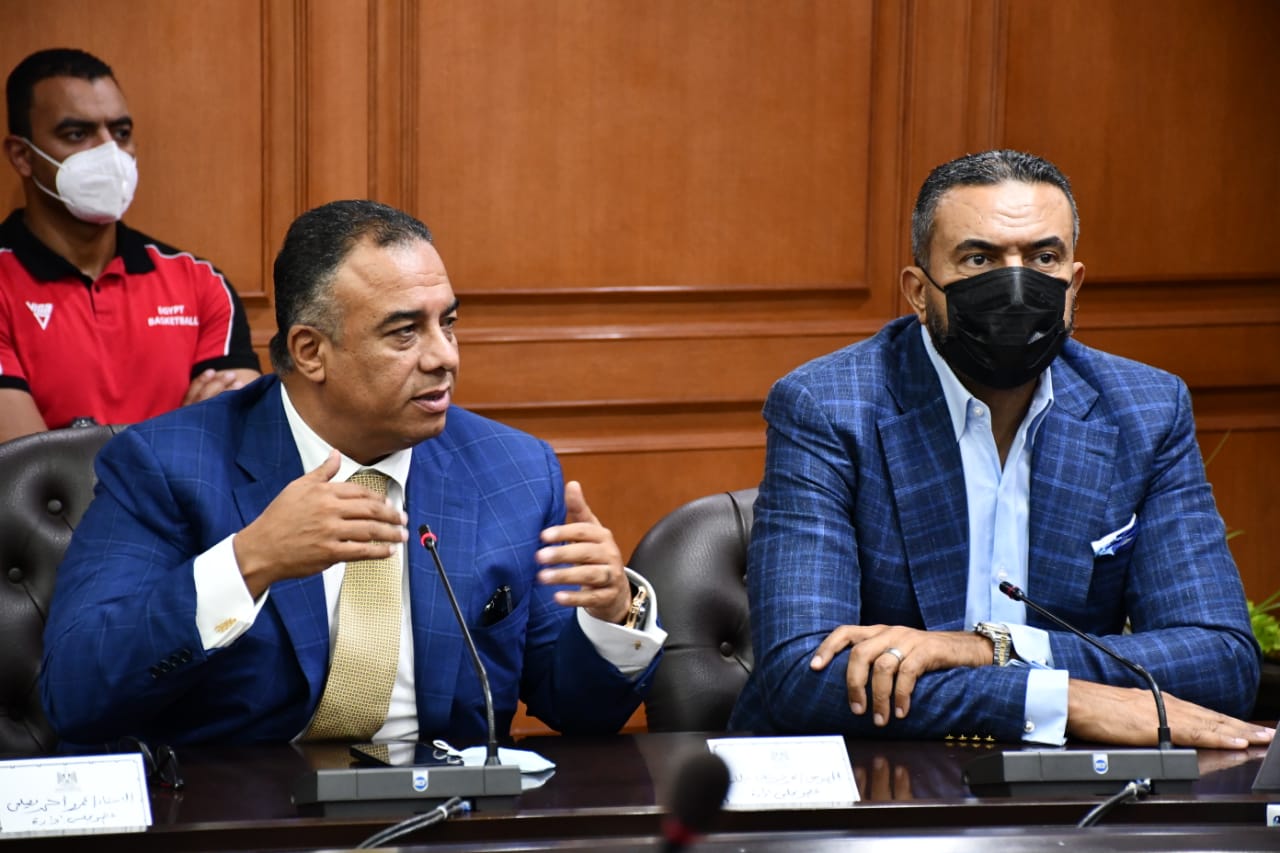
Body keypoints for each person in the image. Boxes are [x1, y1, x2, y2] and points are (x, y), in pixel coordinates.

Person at [40, 199, 665, 746]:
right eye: (405, 332)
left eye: (447, 323)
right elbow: (76, 693)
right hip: (249, 812)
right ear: (311, 351)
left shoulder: (514, 470)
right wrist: (249, 562)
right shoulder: (169, 465)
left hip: (448, 811)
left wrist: (612, 616)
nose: (444, 357)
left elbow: (580, 710)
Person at [730, 149, 1272, 750]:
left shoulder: (1144, 409)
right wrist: (1058, 699)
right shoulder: (829, 405)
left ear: (1073, 285)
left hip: (1073, 785)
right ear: (918, 292)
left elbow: (1220, 660)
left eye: (1043, 258)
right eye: (979, 259)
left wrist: (987, 650)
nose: (1016, 288)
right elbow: (804, 676)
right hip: (876, 772)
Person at [0, 48, 260, 444]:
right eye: (77, 134)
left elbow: (235, 445)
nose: (109, 152)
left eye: (120, 133)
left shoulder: (199, 283)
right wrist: (176, 440)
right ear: (23, 156)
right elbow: (26, 470)